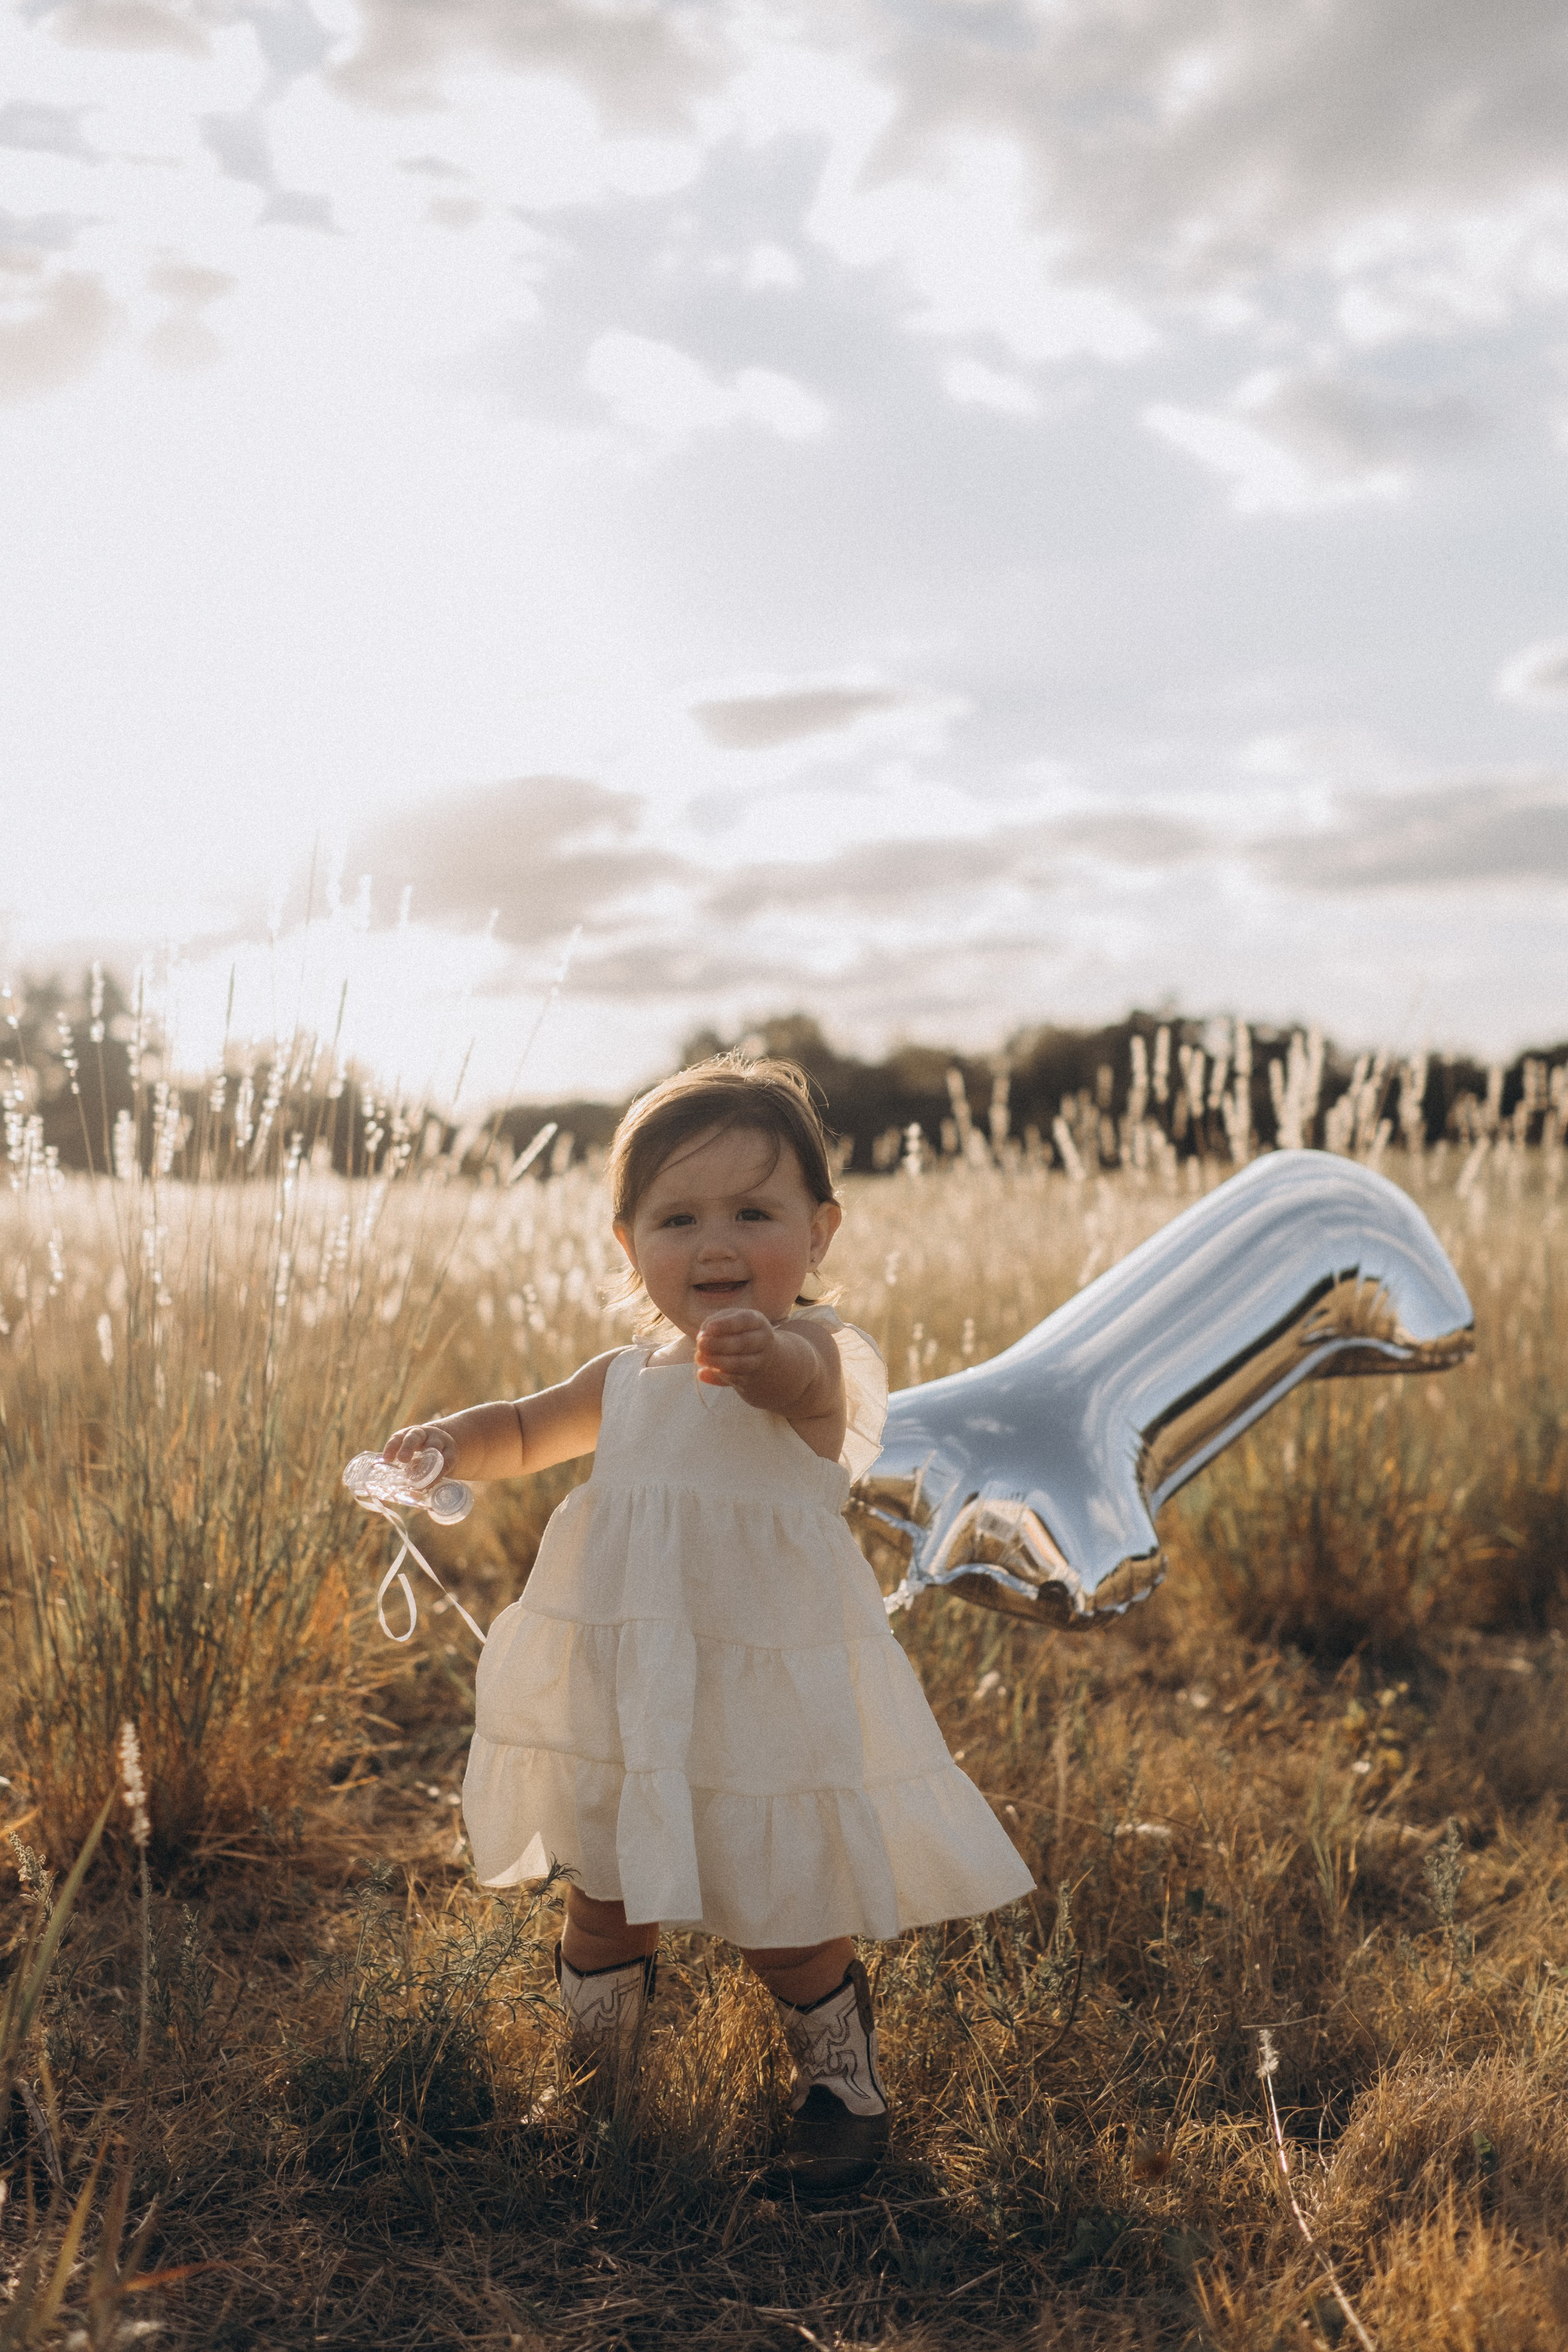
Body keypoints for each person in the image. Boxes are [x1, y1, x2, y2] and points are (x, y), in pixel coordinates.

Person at [382, 1055, 1033, 2192]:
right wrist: (446, 1442)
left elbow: (809, 1406)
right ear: (629, 1246)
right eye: (679, 1218)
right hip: (633, 1685)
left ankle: (842, 2087)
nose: (717, 1244)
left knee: (780, 1913)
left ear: (819, 1231)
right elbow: (527, 1429)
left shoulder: (825, 1355)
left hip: (760, 1692)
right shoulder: (625, 1377)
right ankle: (598, 2090)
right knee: (604, 1897)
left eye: (754, 1212)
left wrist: (766, 1357)